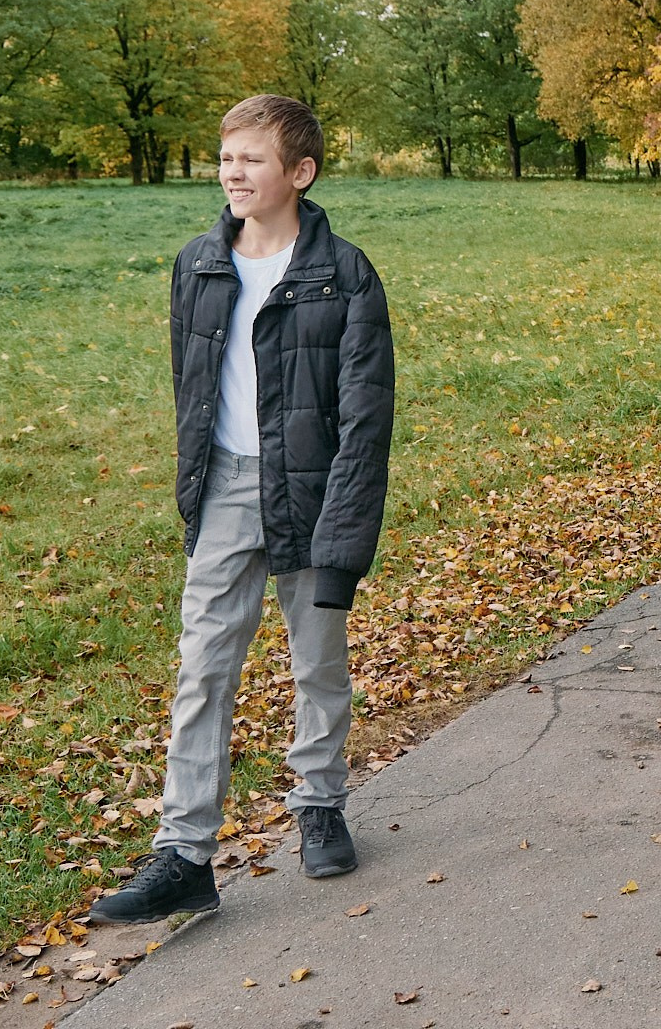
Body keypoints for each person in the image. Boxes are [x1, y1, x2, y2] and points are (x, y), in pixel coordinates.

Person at [91, 95, 396, 924]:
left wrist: (342, 543)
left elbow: (366, 421)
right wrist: (194, 495)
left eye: (252, 158)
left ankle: (320, 802)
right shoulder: (197, 264)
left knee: (317, 660)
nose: (233, 171)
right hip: (225, 488)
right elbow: (191, 394)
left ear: (300, 173)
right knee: (203, 670)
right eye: (226, 157)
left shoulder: (345, 273)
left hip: (312, 489)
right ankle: (185, 852)